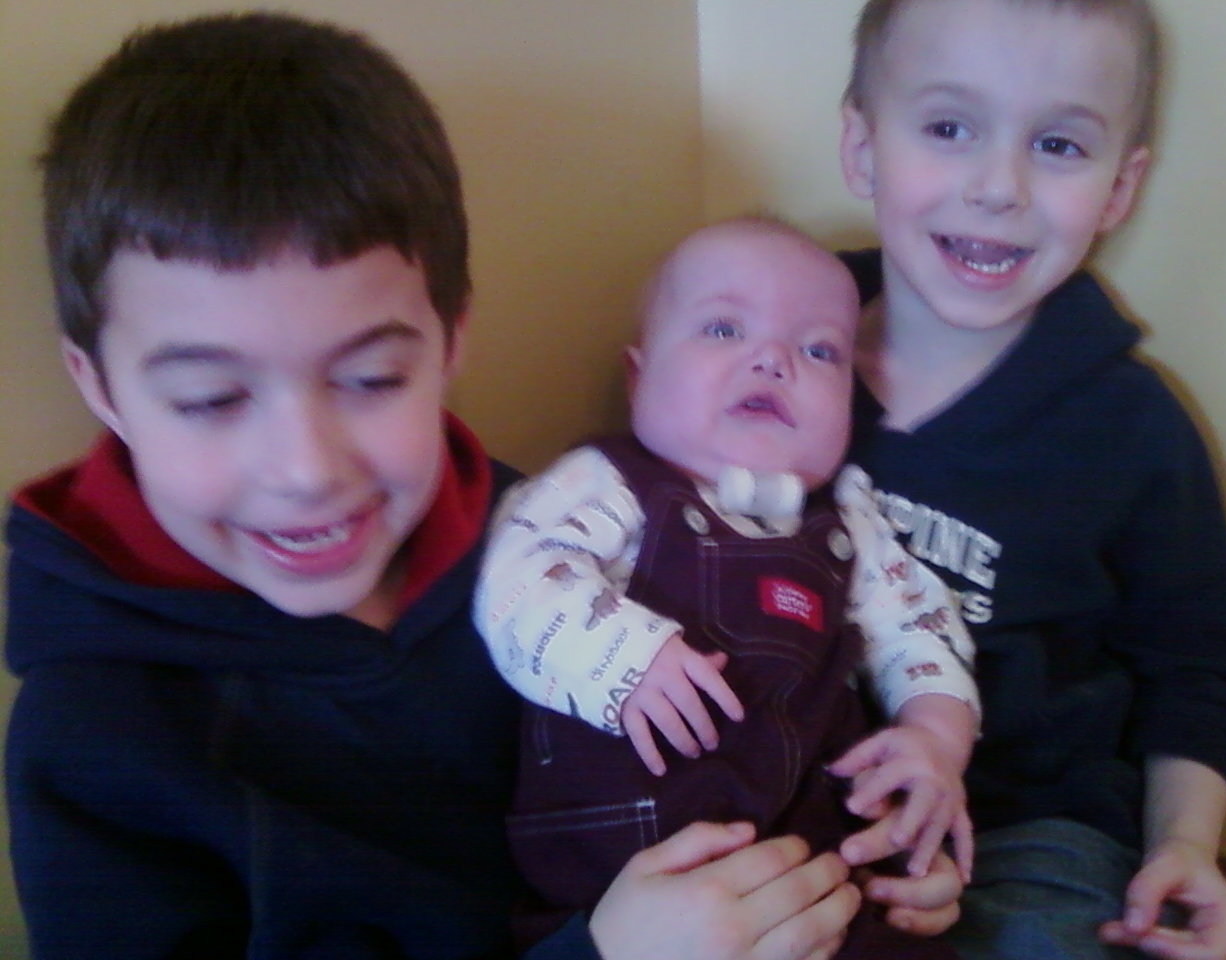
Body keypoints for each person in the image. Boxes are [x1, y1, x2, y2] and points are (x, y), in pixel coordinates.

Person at [3, 13, 889, 959]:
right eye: (212, 399)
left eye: (371, 379)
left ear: (450, 342)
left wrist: (884, 843)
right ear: (101, 387)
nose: (306, 470)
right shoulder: (97, 736)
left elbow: (775, 720)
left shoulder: (549, 542)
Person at [834, 0, 1226, 958]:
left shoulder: (1132, 428)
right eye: (949, 128)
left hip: (1025, 837)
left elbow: (1200, 671)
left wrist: (1185, 848)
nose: (1000, 187)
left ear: (1119, 188)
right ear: (863, 149)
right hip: (807, 800)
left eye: (1060, 145)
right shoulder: (779, 342)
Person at [474, 217, 980, 958]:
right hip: (627, 889)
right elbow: (515, 578)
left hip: (821, 883)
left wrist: (934, 741)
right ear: (639, 377)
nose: (772, 360)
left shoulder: (850, 522)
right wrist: (625, 657)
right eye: (722, 329)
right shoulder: (605, 486)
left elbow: (922, 629)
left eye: (818, 349)